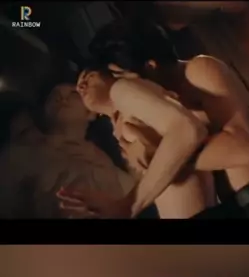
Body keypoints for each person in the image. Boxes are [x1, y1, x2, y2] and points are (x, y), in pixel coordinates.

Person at [86, 16, 249, 219]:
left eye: (121, 76)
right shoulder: (157, 105)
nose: (125, 87)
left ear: (151, 66)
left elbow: (242, 149)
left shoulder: (199, 71)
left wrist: (162, 152)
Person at [57, 65, 217, 219]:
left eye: (89, 77)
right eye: (78, 87)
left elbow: (187, 130)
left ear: (114, 72)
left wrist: (129, 206)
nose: (82, 86)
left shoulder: (120, 89)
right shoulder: (119, 119)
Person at [0, 83, 133, 218]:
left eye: (74, 94)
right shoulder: (20, 155)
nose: (62, 99)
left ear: (91, 112)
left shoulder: (106, 164)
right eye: (54, 96)